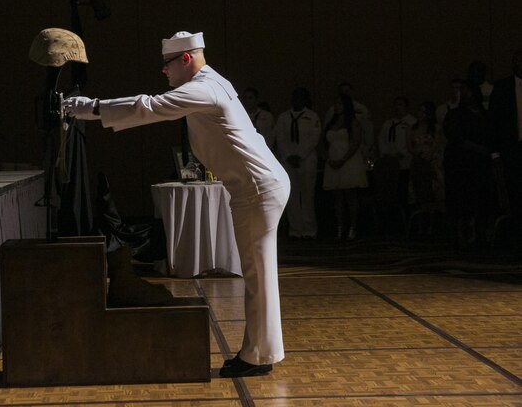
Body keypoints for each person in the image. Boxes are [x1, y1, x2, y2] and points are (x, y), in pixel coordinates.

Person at [64, 31, 290, 378]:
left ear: (186, 60)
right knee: (258, 274)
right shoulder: (211, 83)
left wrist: (90, 108)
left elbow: (150, 106)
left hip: (255, 189)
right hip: (256, 186)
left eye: (167, 64)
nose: (164, 72)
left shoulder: (204, 88)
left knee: (257, 275)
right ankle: (260, 351)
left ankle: (258, 356)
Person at [443, 82, 494, 248]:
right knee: (460, 199)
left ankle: (480, 234)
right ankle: (459, 236)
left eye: (467, 91)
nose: (464, 95)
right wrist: (477, 147)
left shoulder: (485, 115)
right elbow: (455, 137)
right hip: (460, 164)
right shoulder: (455, 115)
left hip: (480, 165)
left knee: (481, 199)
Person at [274, 87, 321, 239]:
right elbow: (280, 138)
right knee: (292, 196)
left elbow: (314, 138)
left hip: (306, 161)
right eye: (295, 97)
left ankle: (309, 230)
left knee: (307, 196)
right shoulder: (284, 117)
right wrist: (289, 155)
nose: (297, 100)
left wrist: (300, 155)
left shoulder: (312, 117)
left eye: (300, 97)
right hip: (288, 161)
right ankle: (295, 230)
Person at [322, 94, 368, 240]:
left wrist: (343, 159)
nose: (337, 107)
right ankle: (340, 227)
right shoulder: (331, 122)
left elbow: (355, 143)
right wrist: (329, 158)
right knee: (338, 197)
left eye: (340, 104)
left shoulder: (353, 122)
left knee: (350, 196)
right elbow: (324, 142)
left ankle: (353, 228)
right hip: (334, 160)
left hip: (349, 161)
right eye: (335, 104)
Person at [488, 49, 522, 238]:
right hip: (511, 149)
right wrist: (495, 152)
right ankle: (517, 234)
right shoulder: (502, 88)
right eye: (518, 61)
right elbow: (494, 121)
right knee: (515, 191)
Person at [376, 96, 417, 209]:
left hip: (405, 163)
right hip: (389, 164)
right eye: (395, 105)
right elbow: (381, 139)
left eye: (400, 104)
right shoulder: (388, 123)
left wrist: (402, 153)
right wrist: (385, 153)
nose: (397, 107)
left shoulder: (412, 122)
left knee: (403, 189)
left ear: (406, 107)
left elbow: (414, 140)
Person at [325, 82, 374, 159]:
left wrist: (367, 147)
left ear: (352, 92)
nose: (345, 93)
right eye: (342, 91)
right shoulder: (332, 110)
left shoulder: (362, 109)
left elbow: (368, 130)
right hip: (335, 151)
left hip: (356, 148)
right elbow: (327, 129)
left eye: (347, 91)